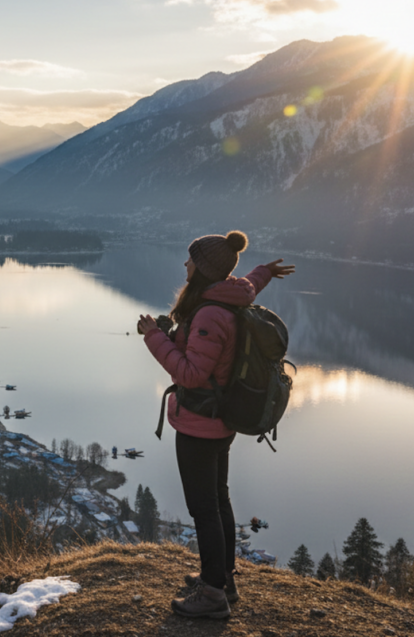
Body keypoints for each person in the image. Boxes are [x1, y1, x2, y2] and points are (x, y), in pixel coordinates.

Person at [136, 230, 294, 619]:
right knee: (219, 500)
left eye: (191, 260)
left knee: (204, 509)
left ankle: (212, 595)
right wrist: (264, 271)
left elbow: (190, 374)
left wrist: (154, 337)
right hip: (219, 422)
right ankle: (223, 578)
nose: (185, 265)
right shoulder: (229, 295)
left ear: (205, 270)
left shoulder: (208, 314)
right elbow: (249, 284)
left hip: (198, 424)